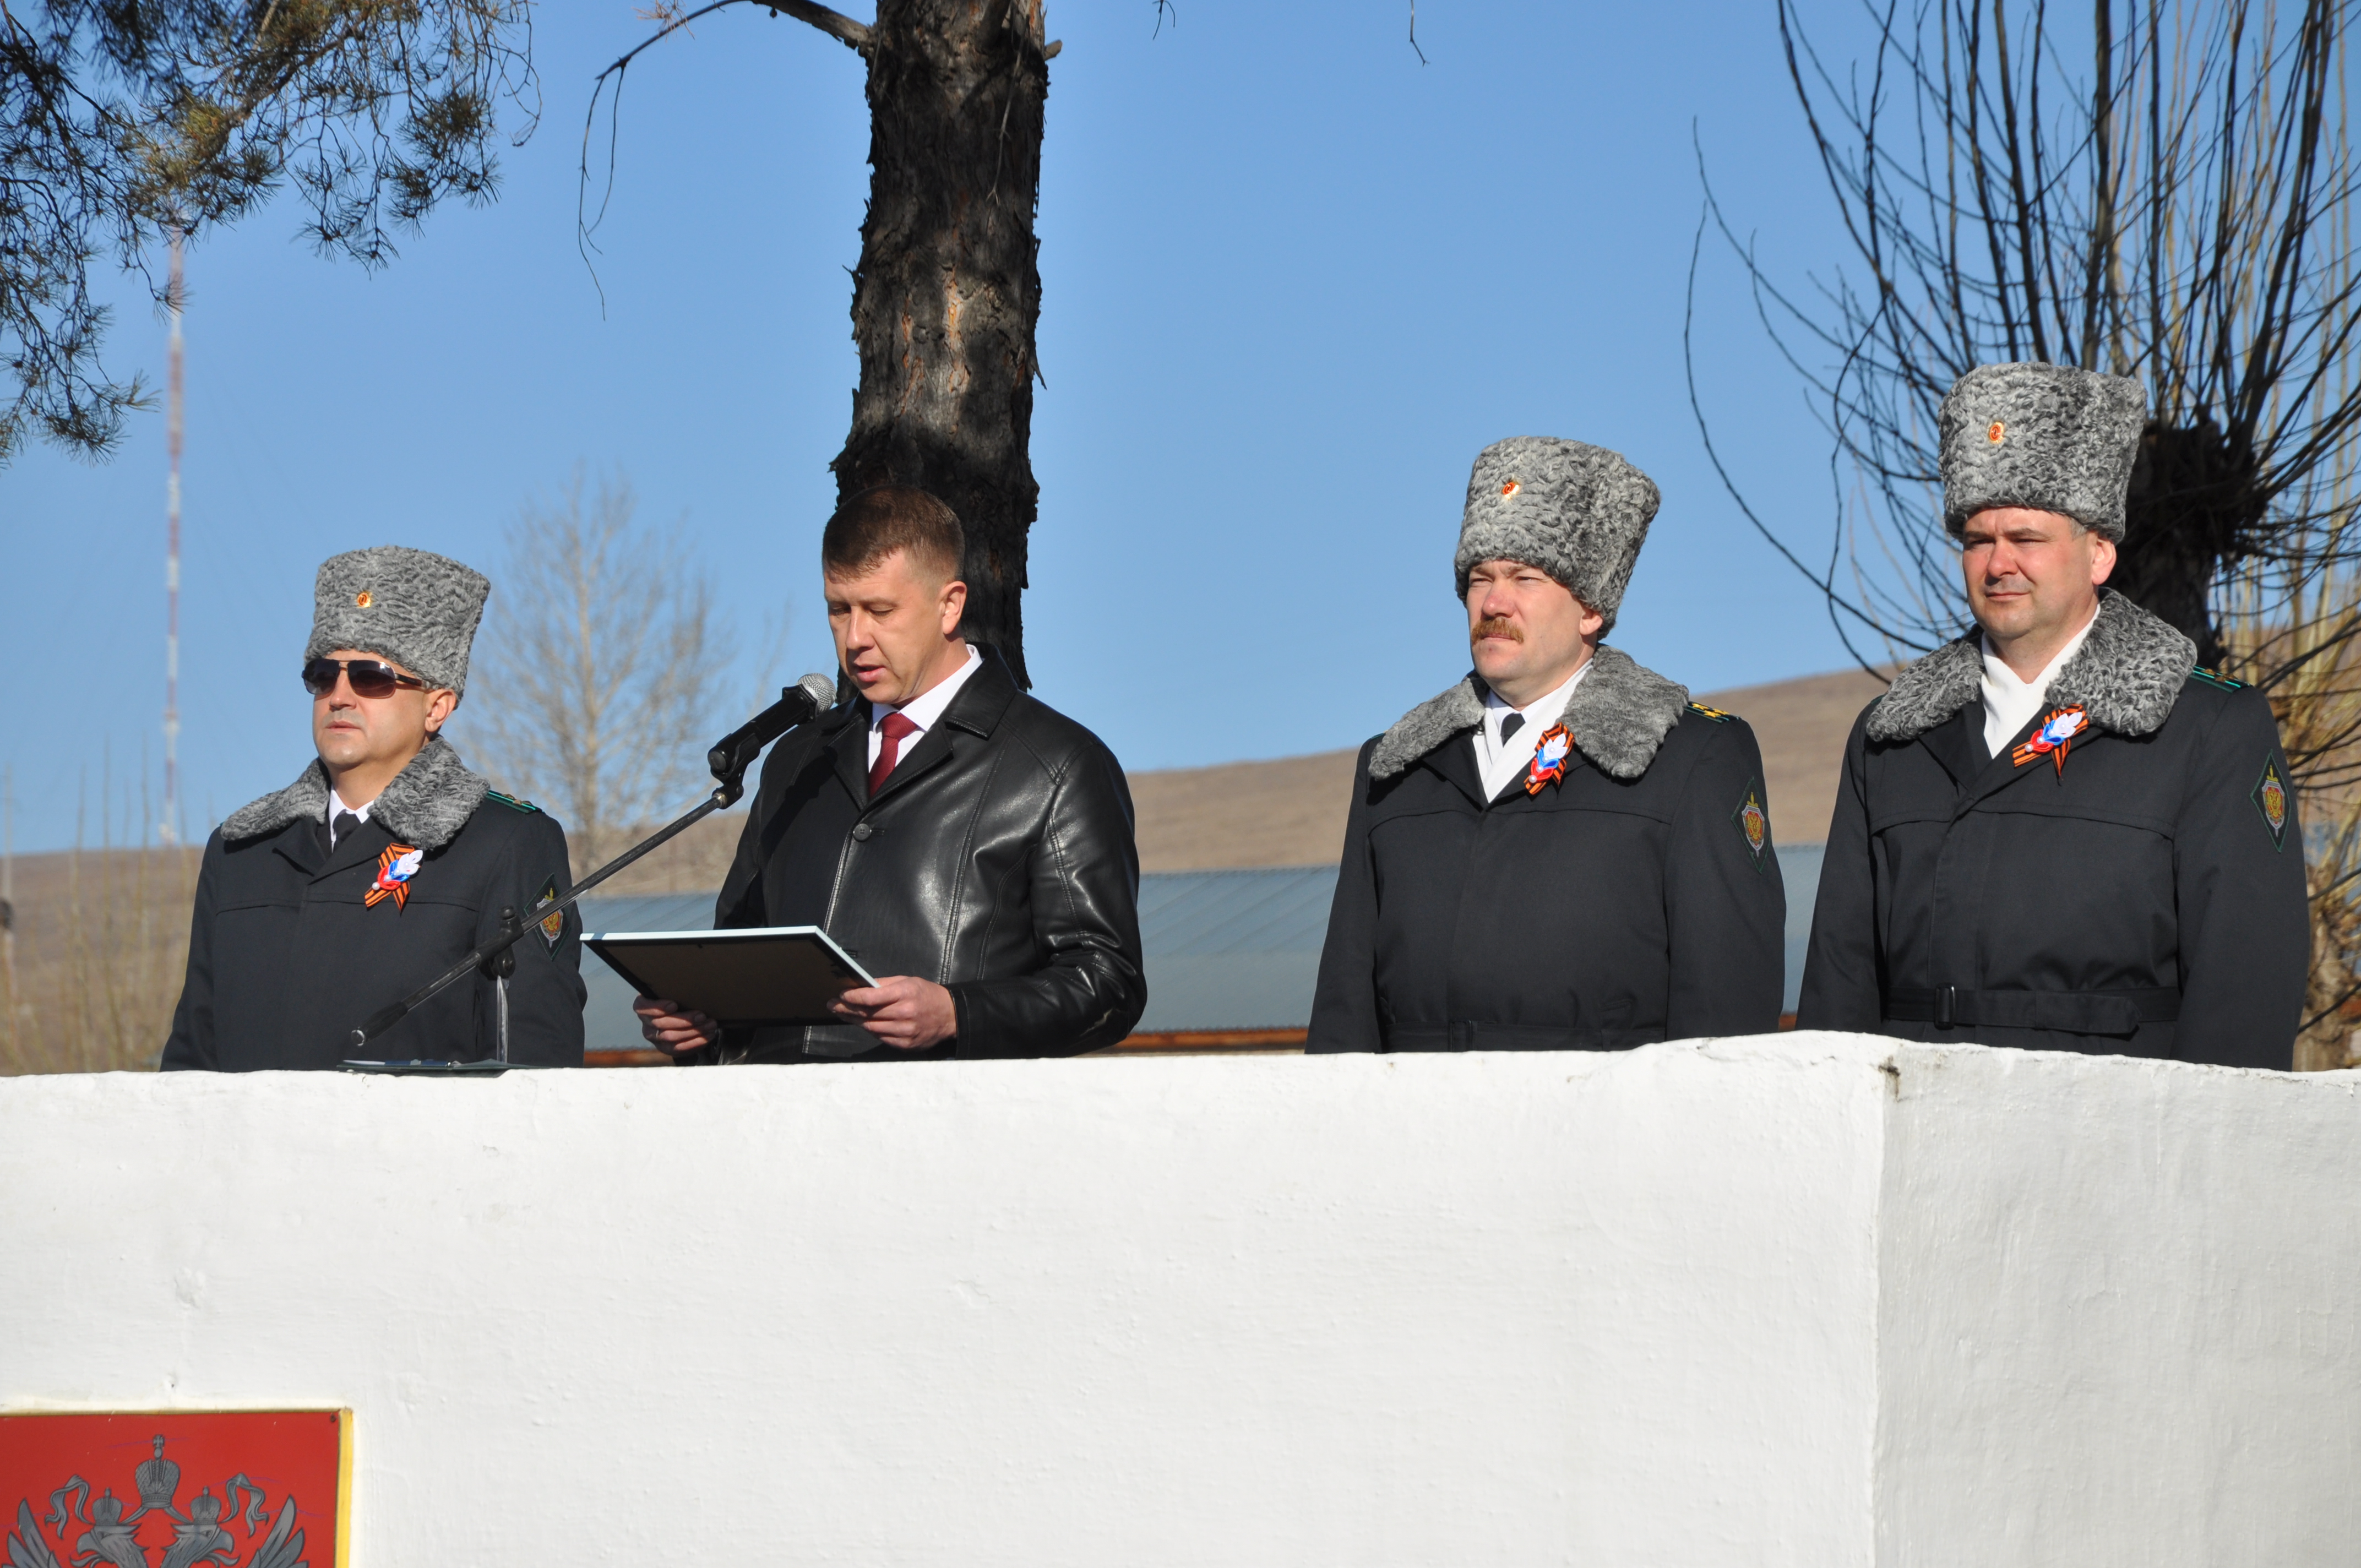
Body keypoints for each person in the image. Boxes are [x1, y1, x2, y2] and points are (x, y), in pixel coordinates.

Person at [1798, 362, 2310, 1068]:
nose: (1998, 563)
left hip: (2115, 1146)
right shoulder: (1891, 738)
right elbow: (1838, 981)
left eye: (2027, 538)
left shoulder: (2205, 729)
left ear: (2098, 553)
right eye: (1978, 540)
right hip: (1920, 1142)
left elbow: (2244, 992)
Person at [634, 483, 1146, 1061]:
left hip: (943, 1132)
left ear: (950, 604)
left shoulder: (1057, 766)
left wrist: (959, 1013)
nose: (855, 639)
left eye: (880, 610)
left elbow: (1108, 984)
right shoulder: (796, 763)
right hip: (774, 1131)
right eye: (838, 609)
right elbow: (740, 958)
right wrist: (701, 1026)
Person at [1307, 437, 1786, 1053]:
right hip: (1422, 1141)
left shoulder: (1691, 756)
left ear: (1590, 608)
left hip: (1602, 1141)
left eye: (1524, 578)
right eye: (1479, 578)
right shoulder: (1397, 767)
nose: (1493, 603)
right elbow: (1344, 1010)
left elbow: (1726, 1015)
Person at [164, 546, 585, 1070]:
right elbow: (190, 1061)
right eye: (323, 675)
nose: (339, 696)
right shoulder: (241, 850)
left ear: (438, 706)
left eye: (372, 676)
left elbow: (537, 1060)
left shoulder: (502, 844)